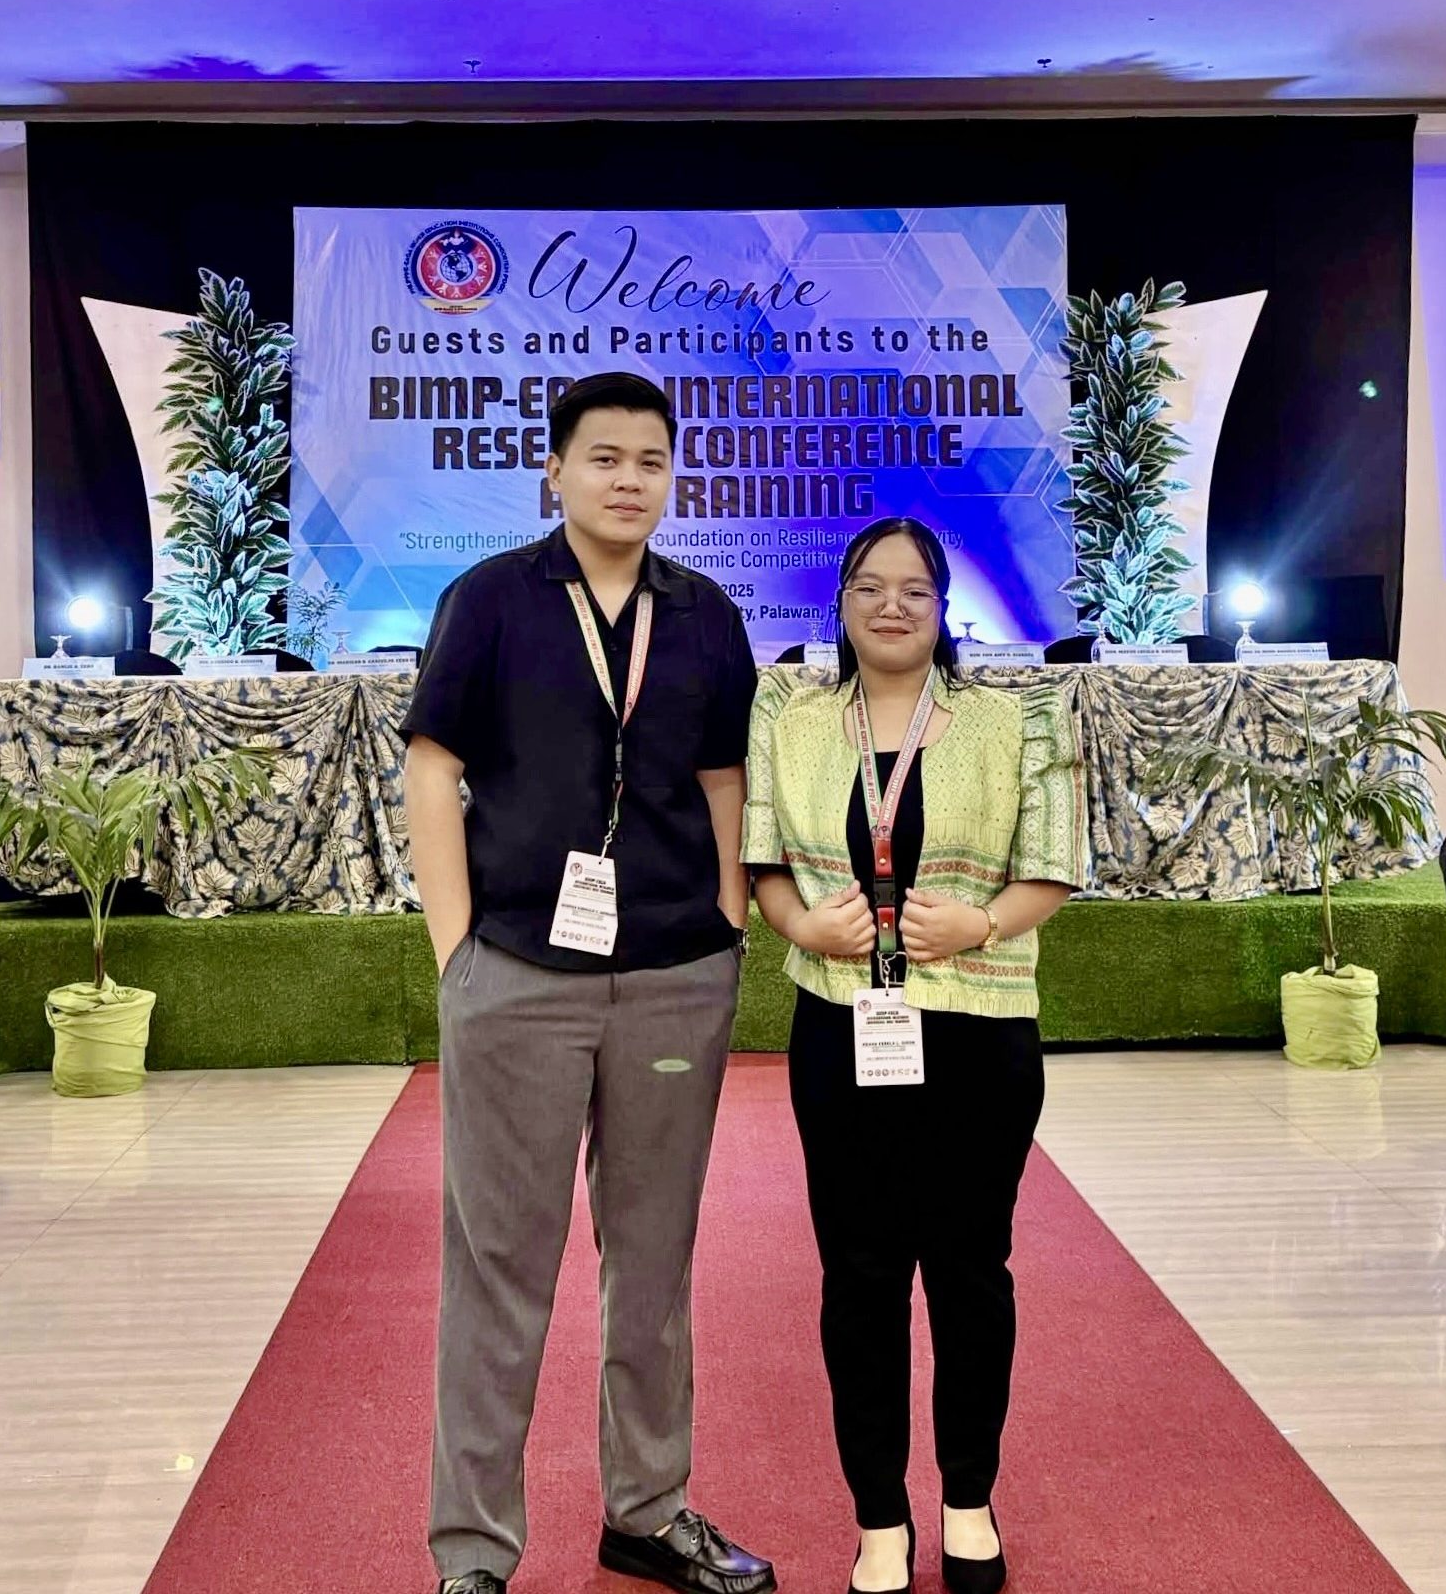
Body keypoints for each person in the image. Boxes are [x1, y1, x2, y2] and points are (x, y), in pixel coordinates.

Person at [402, 371, 773, 1594]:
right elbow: (433, 767)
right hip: (516, 970)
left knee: (653, 1261)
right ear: (552, 471)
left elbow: (723, 782)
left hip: (673, 974)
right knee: (497, 1269)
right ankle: (472, 1552)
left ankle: (647, 1511)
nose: (628, 480)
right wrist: (456, 952)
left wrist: (725, 928)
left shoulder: (705, 615)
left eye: (650, 461)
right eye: (603, 458)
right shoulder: (491, 600)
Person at [742, 518, 1086, 1594]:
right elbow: (761, 860)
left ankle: (968, 1501)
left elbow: (1054, 864)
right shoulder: (790, 717)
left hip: (980, 1031)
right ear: (840, 603)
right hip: (839, 1028)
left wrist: (980, 925)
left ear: (943, 609)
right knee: (860, 1278)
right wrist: (801, 926)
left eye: (913, 590)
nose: (890, 606)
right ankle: (879, 1520)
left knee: (970, 1273)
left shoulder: (1015, 718)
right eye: (868, 586)